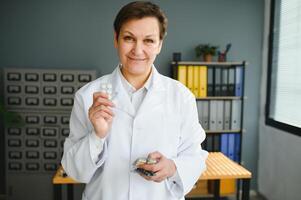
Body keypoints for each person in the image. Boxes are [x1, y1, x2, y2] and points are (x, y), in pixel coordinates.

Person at [61, 1, 208, 200]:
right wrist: (97, 136)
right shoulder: (88, 96)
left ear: (160, 44)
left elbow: (195, 156)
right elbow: (74, 170)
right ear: (116, 39)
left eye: (148, 40)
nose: (137, 51)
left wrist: (173, 168)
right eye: (129, 38)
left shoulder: (181, 97)